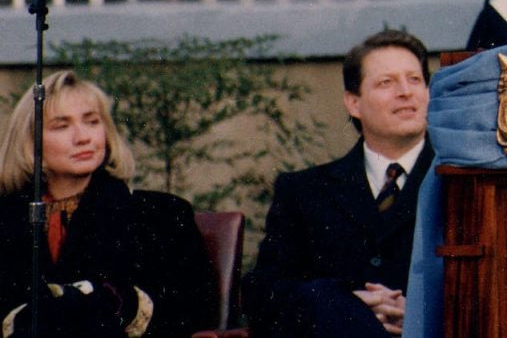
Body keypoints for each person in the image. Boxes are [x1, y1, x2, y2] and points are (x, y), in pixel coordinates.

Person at [245, 30, 433, 337]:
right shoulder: (304, 192)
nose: (405, 92)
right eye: (386, 82)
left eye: (414, 79)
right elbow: (264, 294)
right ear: (353, 103)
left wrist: (420, 315)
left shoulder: (463, 184)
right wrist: (347, 307)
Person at [0, 71, 214, 338]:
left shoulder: (160, 214)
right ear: (29, 142)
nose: (83, 137)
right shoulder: (6, 219)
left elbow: (193, 313)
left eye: (92, 122)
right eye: (61, 126)